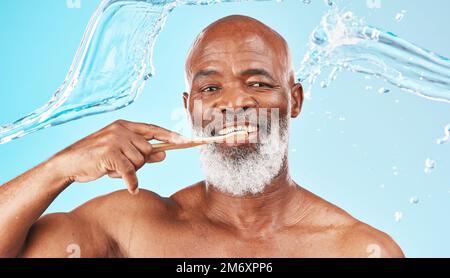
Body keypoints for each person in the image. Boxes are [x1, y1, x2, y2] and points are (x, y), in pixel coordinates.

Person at [0, 15, 404, 258]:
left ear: (294, 100)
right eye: (210, 90)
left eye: (259, 84)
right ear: (189, 106)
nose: (234, 102)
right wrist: (61, 167)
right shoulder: (128, 227)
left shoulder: (356, 249)